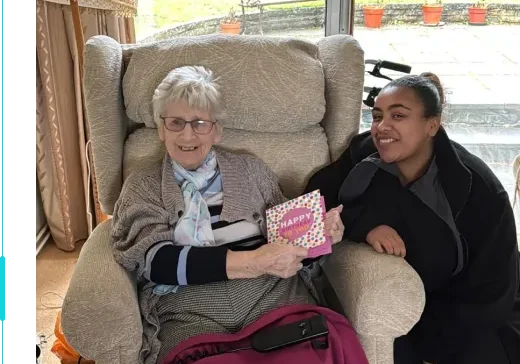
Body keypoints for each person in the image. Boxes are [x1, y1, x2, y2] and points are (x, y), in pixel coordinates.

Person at [110, 65, 345, 364]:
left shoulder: (251, 170)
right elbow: (156, 262)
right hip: (190, 312)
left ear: (217, 130)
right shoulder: (143, 185)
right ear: (160, 128)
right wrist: (251, 262)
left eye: (199, 123)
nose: (187, 133)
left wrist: (319, 236)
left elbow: (285, 241)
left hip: (273, 298)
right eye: (175, 122)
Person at [304, 72, 520, 364]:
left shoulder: (479, 188)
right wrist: (364, 225)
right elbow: (312, 201)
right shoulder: (365, 152)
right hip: (402, 303)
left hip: (476, 311)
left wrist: (432, 338)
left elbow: (495, 289)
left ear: (432, 125)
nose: (382, 127)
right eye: (377, 116)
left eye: (398, 116)